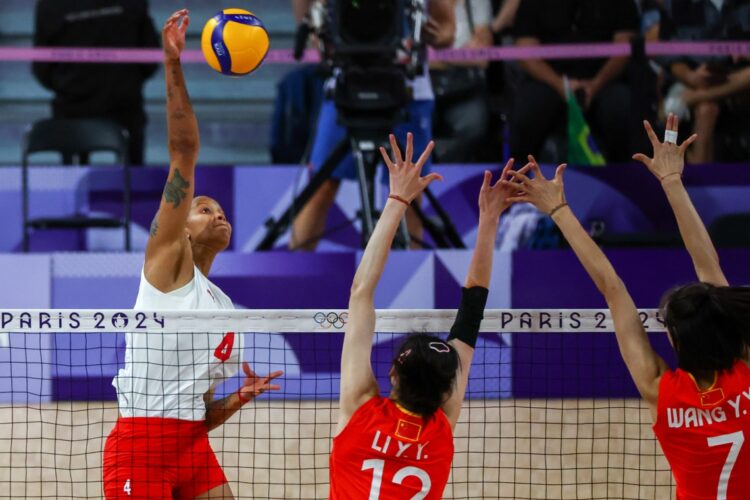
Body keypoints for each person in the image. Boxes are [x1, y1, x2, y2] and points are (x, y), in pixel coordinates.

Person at [506, 114, 750, 498]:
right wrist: (671, 182)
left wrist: (559, 211)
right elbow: (709, 265)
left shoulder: (661, 390)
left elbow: (612, 288)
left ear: (676, 342)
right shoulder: (746, 371)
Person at [102, 11, 283, 499]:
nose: (217, 214)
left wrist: (239, 398)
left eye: (220, 210)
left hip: (192, 448)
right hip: (141, 447)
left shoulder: (224, 310)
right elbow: (184, 150)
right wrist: (172, 61)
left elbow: (201, 414)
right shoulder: (166, 263)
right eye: (203, 208)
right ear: (179, 227)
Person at [329, 133, 520, 498]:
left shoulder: (360, 410)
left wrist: (397, 200)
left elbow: (360, 293)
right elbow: (471, 313)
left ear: (392, 373)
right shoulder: (440, 429)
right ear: (448, 388)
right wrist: (489, 221)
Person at [289, 0, 456, 250]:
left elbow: (447, 31)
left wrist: (432, 34)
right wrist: (317, 27)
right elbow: (305, 15)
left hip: (408, 93)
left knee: (409, 194)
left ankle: (411, 275)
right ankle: (295, 277)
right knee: (321, 187)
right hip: (346, 87)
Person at [510, 0, 640, 163]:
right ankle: (521, 181)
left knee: (623, 107)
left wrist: (595, 84)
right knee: (527, 112)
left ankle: (623, 182)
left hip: (604, 81)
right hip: (549, 81)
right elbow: (525, 49)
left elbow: (624, 46)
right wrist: (561, 85)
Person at [32, 0, 160, 165]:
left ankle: (75, 184)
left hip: (71, 109)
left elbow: (41, 67)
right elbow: (150, 57)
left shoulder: (50, 5)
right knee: (133, 173)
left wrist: (69, 85)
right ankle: (133, 186)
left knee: (72, 172)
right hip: (124, 106)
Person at [661, 0, 750, 163]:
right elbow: (669, 57)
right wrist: (690, 77)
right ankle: (700, 182)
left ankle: (694, 97)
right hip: (690, 81)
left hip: (737, 82)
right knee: (706, 109)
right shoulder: (675, 5)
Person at [431, 0, 493, 162]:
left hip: (465, 84)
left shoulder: (477, 2)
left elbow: (482, 58)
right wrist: (462, 54)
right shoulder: (416, 3)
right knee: (409, 127)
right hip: (422, 83)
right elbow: (411, 54)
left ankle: (449, 177)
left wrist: (435, 54)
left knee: (474, 123)